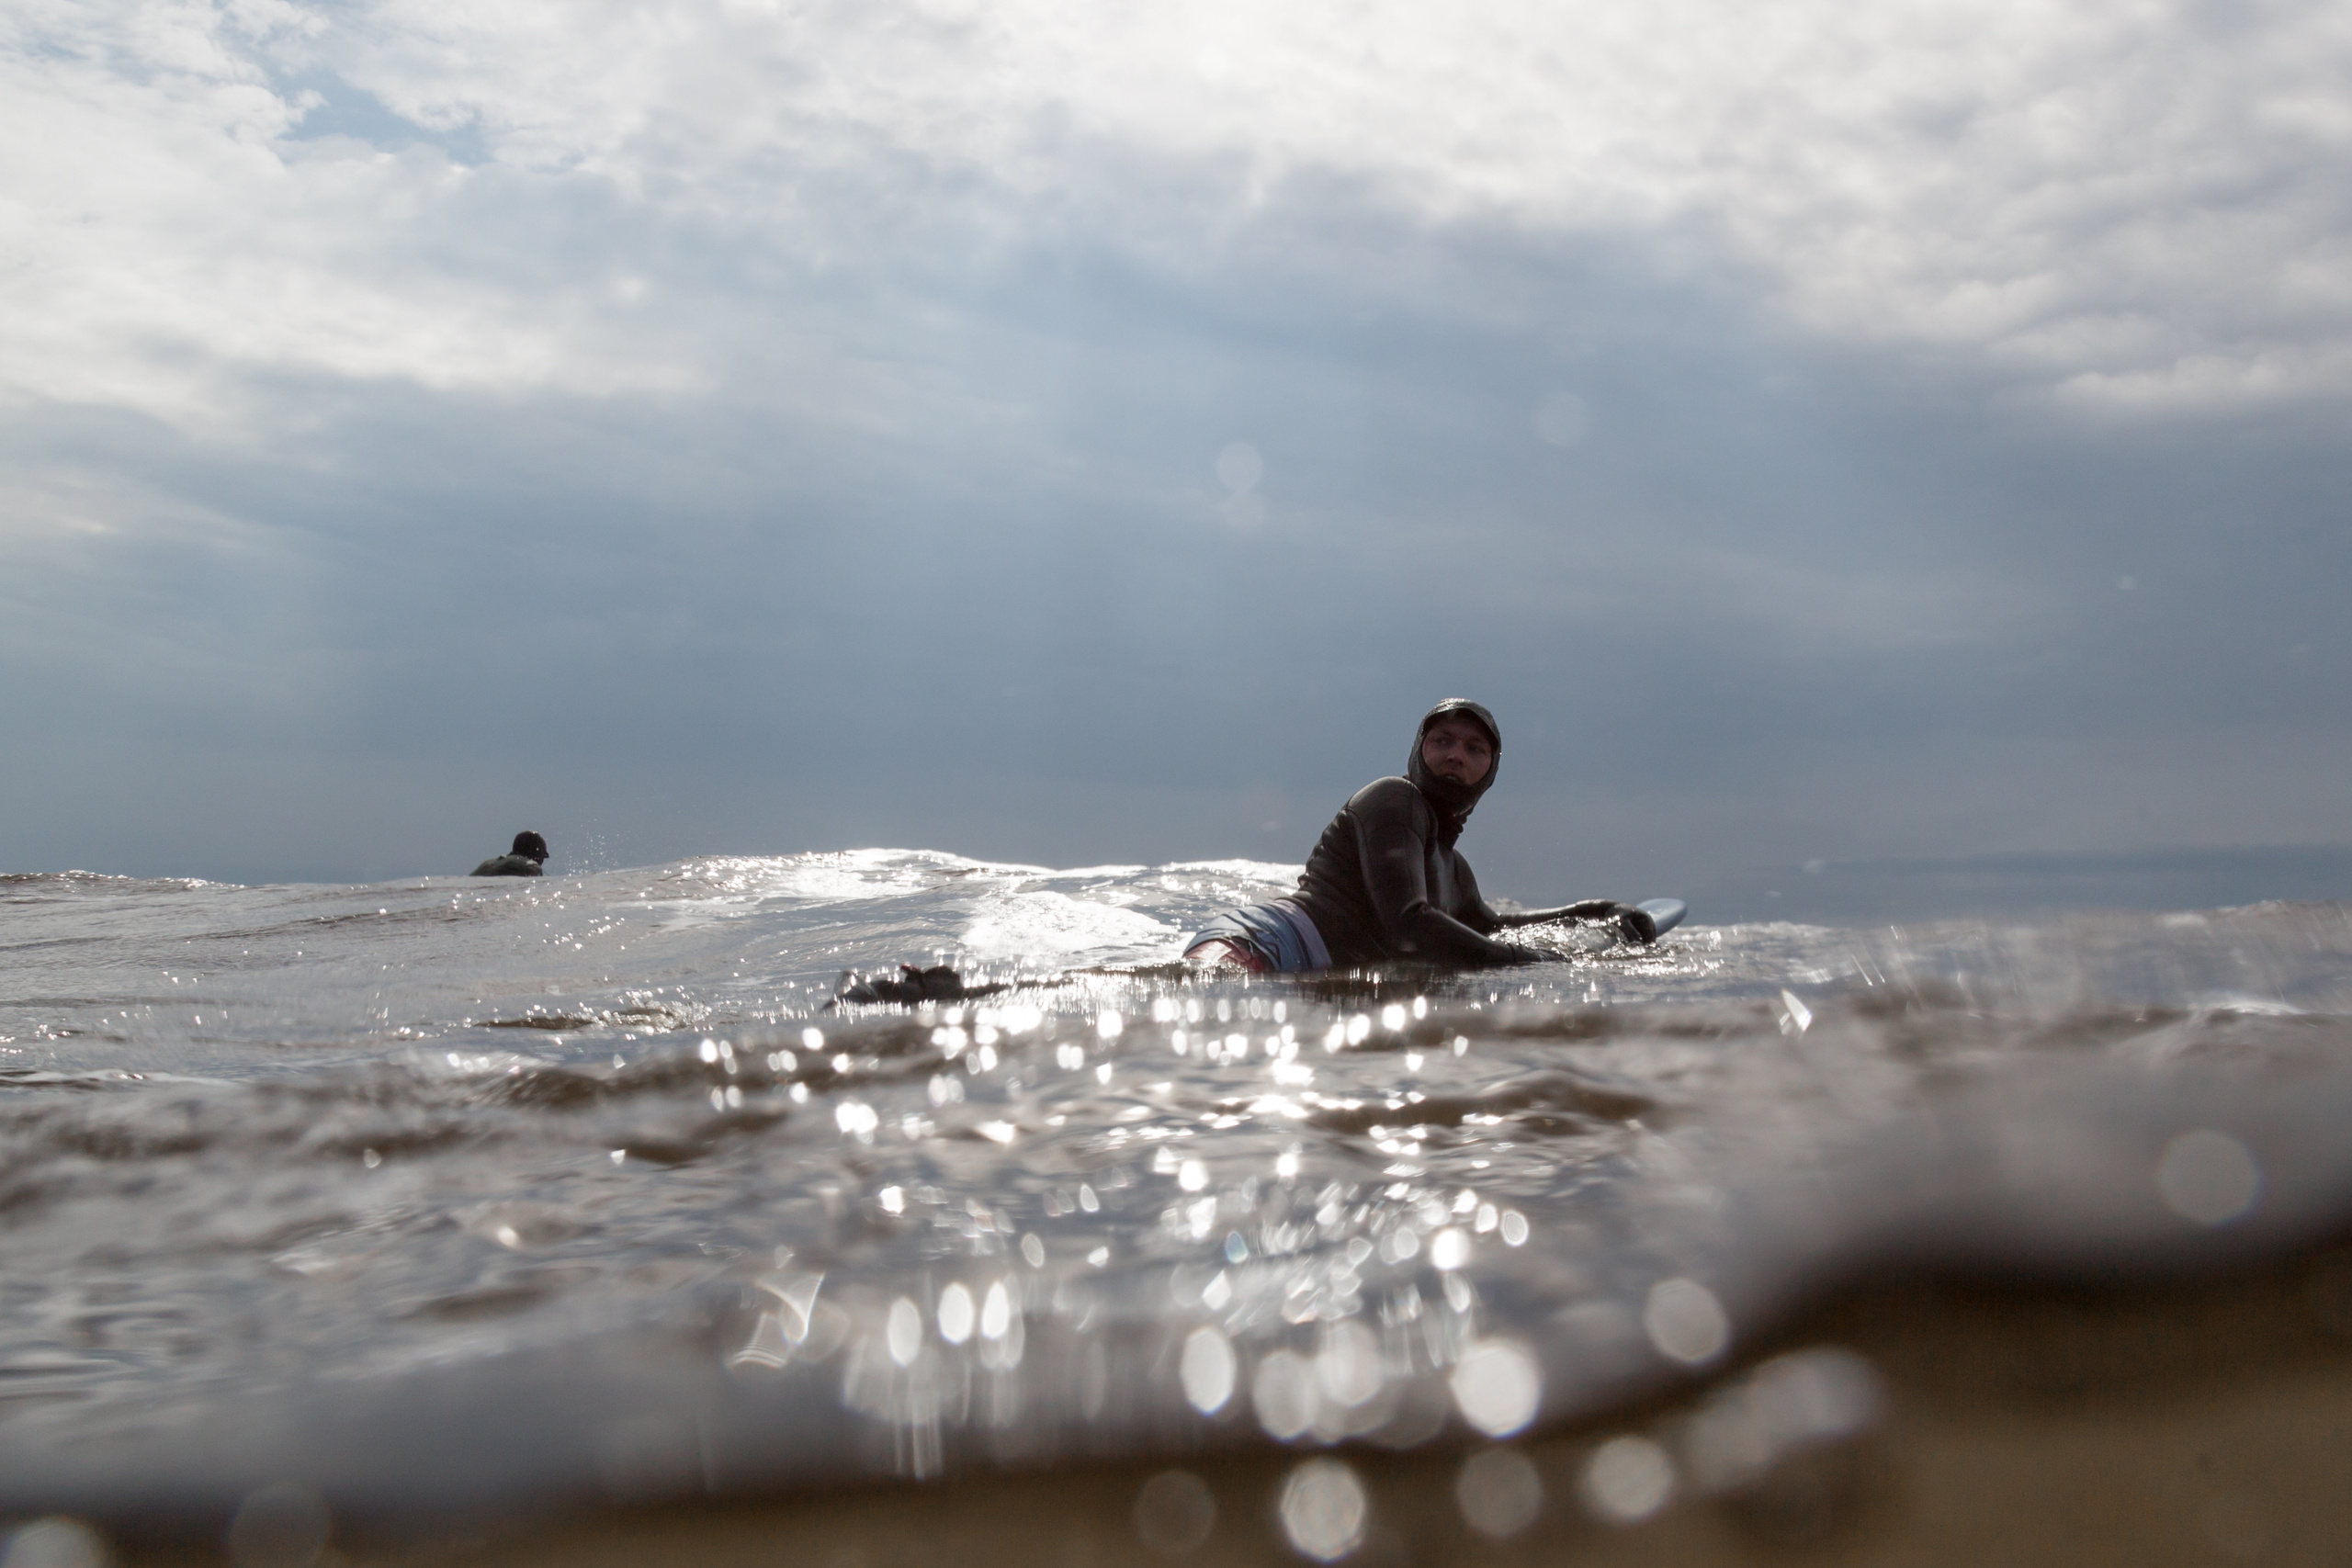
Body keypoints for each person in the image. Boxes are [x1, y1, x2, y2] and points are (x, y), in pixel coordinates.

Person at [1182, 700, 1657, 973]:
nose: (1456, 756)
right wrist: (1529, 962)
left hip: (1303, 968)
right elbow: (1408, 922)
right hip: (1262, 942)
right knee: (1194, 1015)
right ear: (1418, 750)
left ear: (1491, 770)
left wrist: (1599, 912)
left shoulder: (1455, 869)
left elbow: (1491, 931)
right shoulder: (1393, 800)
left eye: (1475, 749)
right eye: (1442, 741)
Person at [471, 831, 549, 878]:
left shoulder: (487, 864)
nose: (544, 858)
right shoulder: (531, 866)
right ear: (536, 852)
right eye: (544, 855)